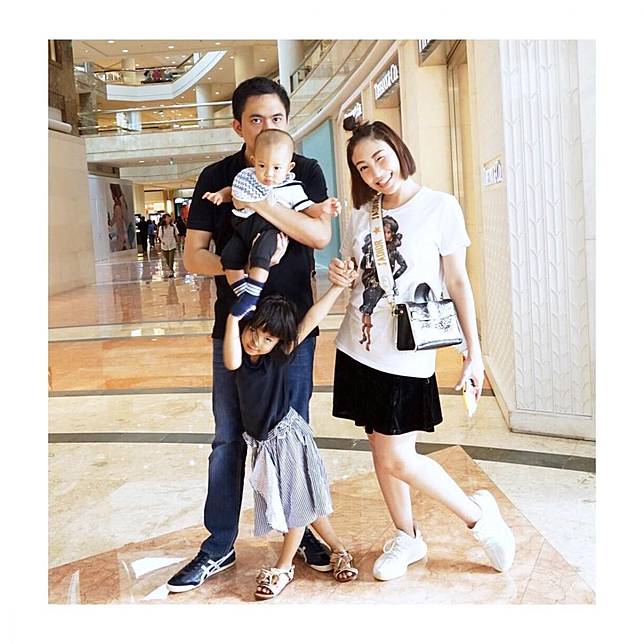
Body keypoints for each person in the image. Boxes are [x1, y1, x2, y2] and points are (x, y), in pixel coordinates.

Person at [166, 76, 337, 593]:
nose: (267, 126)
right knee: (228, 439)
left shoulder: (304, 170)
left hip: (291, 332)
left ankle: (300, 533)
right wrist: (237, 271)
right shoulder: (217, 176)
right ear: (238, 125)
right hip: (236, 327)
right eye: (256, 119)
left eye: (277, 118)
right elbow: (193, 256)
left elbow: (318, 235)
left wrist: (259, 200)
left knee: (292, 435)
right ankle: (219, 544)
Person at [329, 119, 515, 582]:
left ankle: (479, 518)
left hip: (408, 350)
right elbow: (356, 276)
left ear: (398, 150)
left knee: (399, 456)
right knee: (380, 446)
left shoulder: (440, 206)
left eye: (380, 158)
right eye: (363, 167)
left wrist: (474, 352)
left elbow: (457, 281)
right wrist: (341, 274)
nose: (376, 173)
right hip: (358, 346)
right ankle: (407, 535)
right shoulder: (361, 215)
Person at [223, 280, 359, 600]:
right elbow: (230, 361)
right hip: (265, 444)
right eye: (253, 331)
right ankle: (339, 550)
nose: (257, 341)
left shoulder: (278, 356)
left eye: (268, 338)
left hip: (286, 439)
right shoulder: (240, 356)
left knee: (295, 505)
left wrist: (336, 288)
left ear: (279, 342)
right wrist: (233, 317)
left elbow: (311, 318)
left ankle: (283, 568)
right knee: (304, 503)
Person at [202, 128, 340, 318]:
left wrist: (323, 207)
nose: (268, 174)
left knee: (261, 256)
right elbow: (233, 190)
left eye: (276, 168)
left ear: (289, 167)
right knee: (228, 257)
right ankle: (243, 295)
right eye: (262, 166)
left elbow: (308, 208)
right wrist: (220, 195)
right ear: (253, 162)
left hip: (268, 230)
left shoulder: (292, 188)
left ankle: (252, 294)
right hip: (241, 229)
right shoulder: (247, 177)